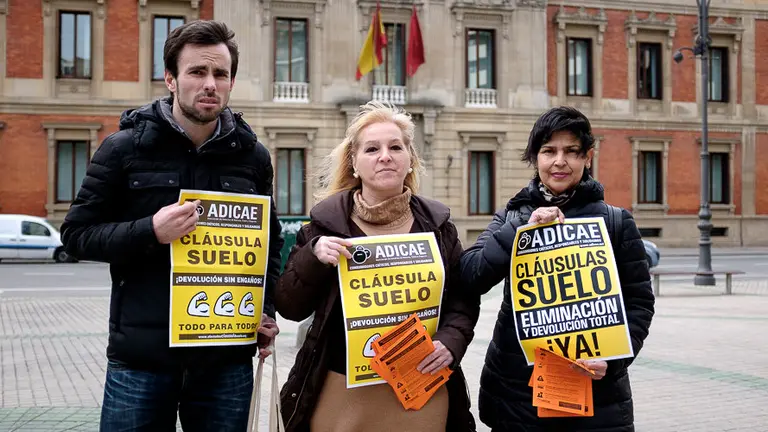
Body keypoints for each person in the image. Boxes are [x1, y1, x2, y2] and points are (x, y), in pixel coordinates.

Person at [60, 20, 283, 431]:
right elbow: (76, 236)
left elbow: (270, 245)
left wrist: (264, 310)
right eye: (197, 72)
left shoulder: (253, 157)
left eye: (220, 73)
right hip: (142, 362)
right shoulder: (124, 148)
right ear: (170, 79)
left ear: (231, 81)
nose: (210, 84)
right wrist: (150, 231)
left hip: (225, 362)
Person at [275, 101, 480, 432]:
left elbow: (462, 299)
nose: (385, 155)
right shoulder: (325, 225)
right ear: (354, 163)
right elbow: (289, 306)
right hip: (342, 395)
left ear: (410, 159)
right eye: (372, 148)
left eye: (395, 147)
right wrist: (313, 258)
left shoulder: (438, 225)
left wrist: (451, 340)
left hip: (421, 391)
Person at [460, 106, 655, 431]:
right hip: (518, 397)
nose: (559, 161)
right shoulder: (511, 217)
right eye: (549, 151)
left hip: (596, 398)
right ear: (536, 158)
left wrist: (616, 359)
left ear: (587, 157)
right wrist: (519, 233)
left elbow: (639, 303)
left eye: (571, 152)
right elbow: (470, 276)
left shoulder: (616, 222)